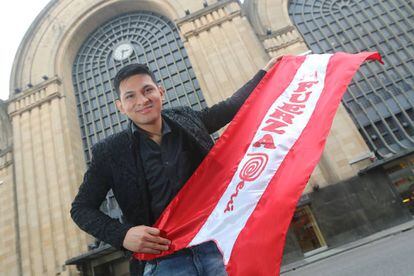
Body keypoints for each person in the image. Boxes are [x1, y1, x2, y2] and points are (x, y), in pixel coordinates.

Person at [70, 58, 278, 275]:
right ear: (120, 106)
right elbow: (81, 208)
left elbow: (229, 107)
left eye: (147, 90)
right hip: (165, 261)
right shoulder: (110, 152)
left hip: (216, 244)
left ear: (161, 92)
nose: (142, 100)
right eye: (130, 96)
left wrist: (264, 74)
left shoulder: (186, 118)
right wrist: (122, 235)